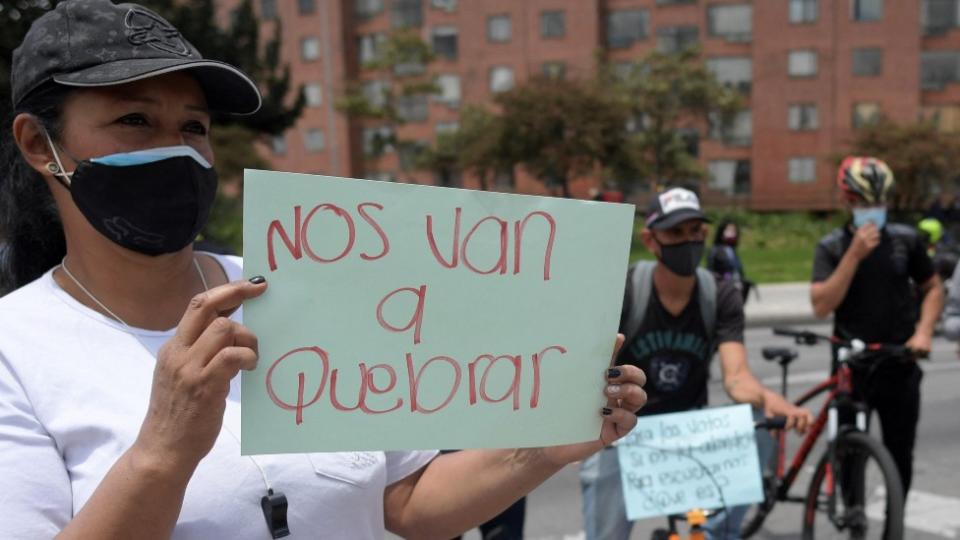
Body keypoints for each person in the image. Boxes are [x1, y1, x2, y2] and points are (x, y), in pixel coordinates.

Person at [0, 2, 648, 538]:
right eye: (134, 120)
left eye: (193, 126)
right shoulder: (16, 351)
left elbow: (408, 501)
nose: (176, 150)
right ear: (38, 143)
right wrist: (161, 455)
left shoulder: (301, 290)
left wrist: (542, 446)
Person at [579, 187, 812, 540]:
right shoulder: (625, 290)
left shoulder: (720, 294)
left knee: (759, 423)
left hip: (691, 429)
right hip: (628, 431)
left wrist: (768, 399)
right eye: (675, 232)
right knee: (602, 485)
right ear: (651, 239)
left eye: (695, 232)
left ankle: (720, 532)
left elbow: (736, 379)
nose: (688, 242)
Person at [811, 156, 943, 496]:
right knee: (848, 454)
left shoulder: (906, 240)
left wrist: (924, 331)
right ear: (847, 202)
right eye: (864, 203)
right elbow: (821, 305)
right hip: (851, 365)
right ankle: (853, 513)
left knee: (900, 452)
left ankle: (894, 519)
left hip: (899, 359)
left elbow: (932, 288)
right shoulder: (832, 246)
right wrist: (853, 256)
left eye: (880, 201)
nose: (874, 209)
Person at [706, 220, 753, 304]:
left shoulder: (732, 250)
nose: (732, 233)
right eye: (729, 230)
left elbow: (738, 270)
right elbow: (710, 270)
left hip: (736, 288)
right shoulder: (715, 250)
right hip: (722, 289)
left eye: (733, 231)